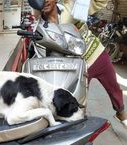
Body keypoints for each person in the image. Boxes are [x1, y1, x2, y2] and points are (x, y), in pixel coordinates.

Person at [38, 0, 127, 128]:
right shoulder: (41, 24)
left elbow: (100, 2)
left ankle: (121, 112)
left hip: (97, 54)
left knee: (114, 87)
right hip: (79, 67)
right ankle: (77, 128)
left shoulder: (71, 7)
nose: (45, 1)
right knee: (79, 101)